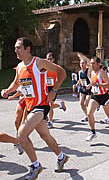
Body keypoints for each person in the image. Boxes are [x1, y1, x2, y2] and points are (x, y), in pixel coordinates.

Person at [1, 37, 69, 179]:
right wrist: (7, 91)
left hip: (41, 105)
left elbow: (62, 73)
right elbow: (15, 82)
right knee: (45, 136)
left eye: (18, 47)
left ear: (27, 49)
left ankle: (36, 166)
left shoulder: (39, 63)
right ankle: (61, 156)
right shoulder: (20, 67)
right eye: (15, 48)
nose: (16, 50)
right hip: (30, 106)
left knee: (21, 134)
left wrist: (54, 91)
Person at [85, 57, 109, 141]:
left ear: (98, 64)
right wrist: (90, 85)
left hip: (103, 96)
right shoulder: (92, 72)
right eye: (91, 63)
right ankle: (92, 132)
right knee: (89, 113)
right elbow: (92, 82)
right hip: (95, 96)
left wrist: (98, 85)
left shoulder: (102, 73)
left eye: (93, 63)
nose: (92, 65)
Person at [46, 52, 67, 128]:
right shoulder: (44, 67)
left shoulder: (57, 68)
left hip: (53, 88)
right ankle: (60, 105)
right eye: (47, 58)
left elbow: (62, 76)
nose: (49, 60)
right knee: (45, 105)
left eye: (50, 59)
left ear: (53, 59)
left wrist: (56, 85)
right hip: (45, 88)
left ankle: (50, 122)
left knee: (50, 105)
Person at [76, 58, 92, 122]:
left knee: (86, 103)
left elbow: (92, 80)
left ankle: (90, 113)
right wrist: (76, 85)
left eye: (83, 63)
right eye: (81, 63)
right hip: (83, 88)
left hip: (89, 88)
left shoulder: (88, 71)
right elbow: (80, 80)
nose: (82, 64)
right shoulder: (80, 72)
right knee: (81, 103)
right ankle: (86, 115)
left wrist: (90, 85)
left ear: (86, 64)